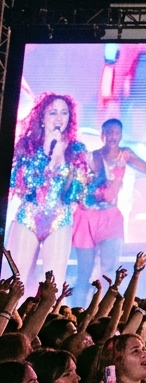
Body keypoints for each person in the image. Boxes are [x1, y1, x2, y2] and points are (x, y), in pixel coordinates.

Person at [71, 121, 146, 303]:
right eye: (109, 132)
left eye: (116, 132)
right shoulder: (92, 157)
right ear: (103, 134)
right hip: (87, 216)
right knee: (84, 273)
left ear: (120, 135)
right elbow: (77, 185)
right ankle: (76, 312)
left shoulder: (125, 154)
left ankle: (103, 314)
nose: (112, 136)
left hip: (111, 217)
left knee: (109, 270)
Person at [7, 94, 92, 284]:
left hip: (59, 220)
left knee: (53, 284)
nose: (59, 118)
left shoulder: (77, 150)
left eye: (64, 113)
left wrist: (60, 160)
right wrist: (45, 152)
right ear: (42, 118)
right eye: (53, 112)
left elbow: (78, 194)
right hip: (28, 217)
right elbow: (20, 185)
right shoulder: (27, 146)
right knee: (16, 280)